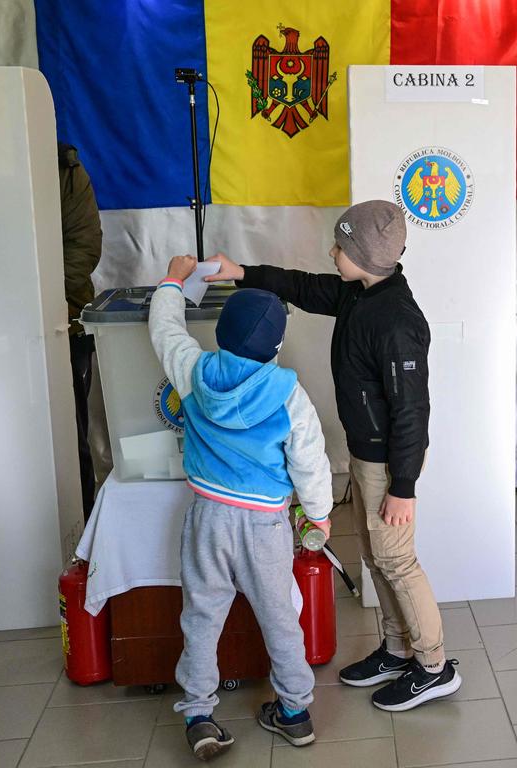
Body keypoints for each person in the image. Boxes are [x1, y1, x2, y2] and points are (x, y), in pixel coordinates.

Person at [206, 200, 461, 713]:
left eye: (340, 246)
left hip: (391, 463)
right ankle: (395, 649)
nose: (332, 251)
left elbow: (413, 411)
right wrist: (243, 272)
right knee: (375, 557)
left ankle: (433, 666)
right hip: (368, 455)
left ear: (365, 255)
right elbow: (302, 286)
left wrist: (403, 488)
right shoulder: (357, 292)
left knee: (396, 559)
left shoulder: (397, 321)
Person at [149, 255, 333, 760]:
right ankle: (294, 713)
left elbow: (164, 329)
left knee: (202, 616)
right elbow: (310, 458)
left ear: (220, 333)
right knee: (279, 617)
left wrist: (173, 280)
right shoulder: (289, 393)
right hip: (264, 525)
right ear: (276, 346)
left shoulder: (195, 370)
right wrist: (317, 514)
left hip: (208, 518)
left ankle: (199, 715)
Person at [58, 142, 103, 521]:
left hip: (59, 320)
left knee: (72, 437)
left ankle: (81, 531)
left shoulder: (63, 167)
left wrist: (37, 301)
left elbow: (83, 246)